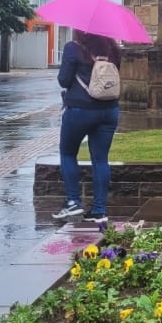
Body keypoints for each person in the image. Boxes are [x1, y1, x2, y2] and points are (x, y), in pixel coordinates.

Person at [52, 30, 121, 225]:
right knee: (100, 159)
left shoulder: (73, 48)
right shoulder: (113, 50)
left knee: (67, 153)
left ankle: (73, 201)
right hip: (109, 110)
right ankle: (99, 209)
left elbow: (63, 80)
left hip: (80, 110)